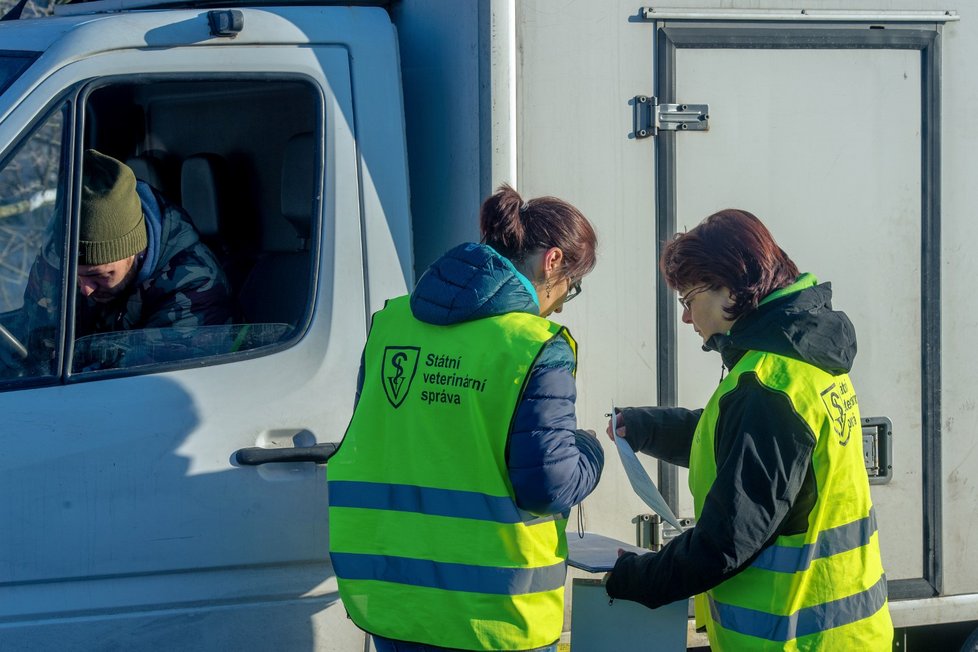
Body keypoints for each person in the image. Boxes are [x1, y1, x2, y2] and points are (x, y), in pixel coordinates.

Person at [327, 184, 605, 651]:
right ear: (552, 261)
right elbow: (549, 486)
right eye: (570, 289)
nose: (559, 303)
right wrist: (591, 452)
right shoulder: (535, 345)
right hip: (494, 616)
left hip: (398, 606)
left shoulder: (391, 326)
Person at [604, 209, 893, 650]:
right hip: (842, 634)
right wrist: (648, 427)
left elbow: (725, 541)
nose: (684, 317)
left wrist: (633, 578)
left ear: (730, 288)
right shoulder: (800, 359)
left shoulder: (769, 386)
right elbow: (736, 443)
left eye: (687, 299)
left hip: (796, 641)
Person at [22, 149, 232, 366]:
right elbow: (34, 342)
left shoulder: (194, 285)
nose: (85, 289)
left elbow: (145, 383)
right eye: (73, 274)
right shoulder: (55, 257)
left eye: (100, 275)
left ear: (136, 251)